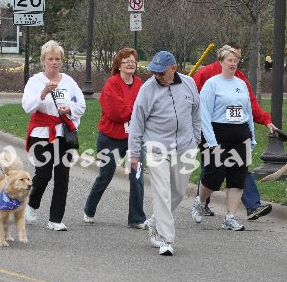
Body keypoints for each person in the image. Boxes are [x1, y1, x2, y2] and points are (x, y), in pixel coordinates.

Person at [192, 42, 275, 221]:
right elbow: (198, 105)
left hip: (239, 134)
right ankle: (201, 202)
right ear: (221, 60)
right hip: (216, 133)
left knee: (238, 175)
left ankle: (234, 215)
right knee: (213, 173)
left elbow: (249, 108)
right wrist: (209, 139)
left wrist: (258, 128)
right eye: (230, 59)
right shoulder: (209, 78)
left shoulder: (241, 82)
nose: (233, 62)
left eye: (236, 59)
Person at [129, 51, 201, 256]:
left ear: (173, 69)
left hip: (185, 147)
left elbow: (197, 112)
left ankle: (154, 222)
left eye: (161, 72)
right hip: (156, 148)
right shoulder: (147, 89)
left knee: (178, 192)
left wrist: (196, 138)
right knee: (162, 192)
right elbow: (137, 122)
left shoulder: (188, 84)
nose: (157, 76)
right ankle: (166, 239)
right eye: (154, 72)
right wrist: (134, 153)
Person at [22, 40, 86, 231]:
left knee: (62, 176)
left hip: (63, 134)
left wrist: (69, 109)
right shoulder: (35, 81)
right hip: (41, 133)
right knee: (43, 174)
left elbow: (81, 105)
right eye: (50, 59)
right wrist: (42, 93)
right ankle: (31, 204)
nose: (54, 62)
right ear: (43, 60)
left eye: (57, 59)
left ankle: (55, 219)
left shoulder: (68, 81)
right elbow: (27, 107)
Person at [83, 47, 146, 229]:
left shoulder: (140, 83)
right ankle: (89, 209)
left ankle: (136, 218)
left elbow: (146, 105)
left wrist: (139, 113)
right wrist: (137, 113)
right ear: (118, 65)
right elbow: (116, 111)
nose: (130, 63)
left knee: (137, 177)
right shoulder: (112, 83)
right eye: (126, 61)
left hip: (134, 139)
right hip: (110, 138)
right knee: (106, 175)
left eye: (133, 60)